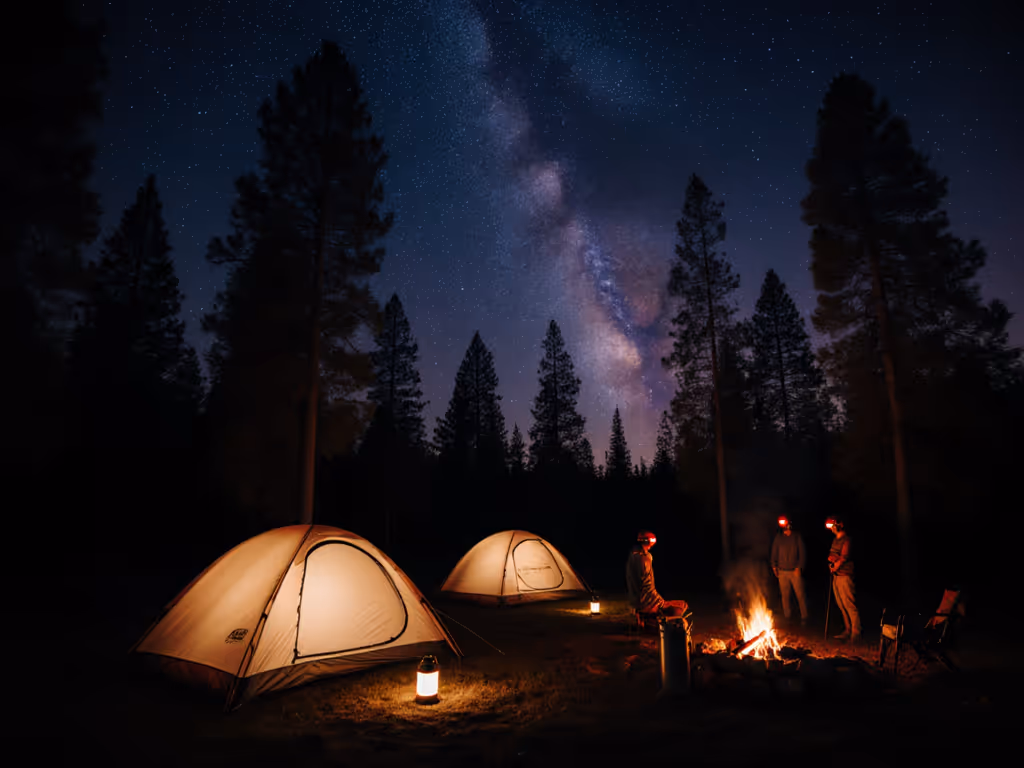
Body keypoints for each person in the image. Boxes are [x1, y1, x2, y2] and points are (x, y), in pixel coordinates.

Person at [625, 530, 689, 620]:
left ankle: (645, 617)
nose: (650, 548)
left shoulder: (632, 556)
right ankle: (654, 620)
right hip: (647, 603)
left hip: (635, 601)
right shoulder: (645, 559)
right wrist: (659, 602)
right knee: (682, 605)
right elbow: (646, 585)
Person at [826, 516, 861, 642]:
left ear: (839, 525)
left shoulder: (847, 540)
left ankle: (856, 633)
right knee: (841, 605)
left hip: (845, 576)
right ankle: (847, 630)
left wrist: (835, 566)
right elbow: (832, 555)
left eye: (832, 526)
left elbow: (844, 557)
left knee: (849, 605)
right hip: (836, 576)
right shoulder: (835, 540)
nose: (831, 529)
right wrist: (831, 563)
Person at [771, 516, 809, 627]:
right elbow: (774, 551)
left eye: (788, 528)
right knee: (785, 595)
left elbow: (802, 553)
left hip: (794, 571)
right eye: (784, 528)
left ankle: (804, 617)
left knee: (800, 595)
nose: (786, 530)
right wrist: (774, 566)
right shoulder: (779, 537)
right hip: (782, 571)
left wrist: (799, 567)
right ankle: (787, 616)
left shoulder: (797, 537)